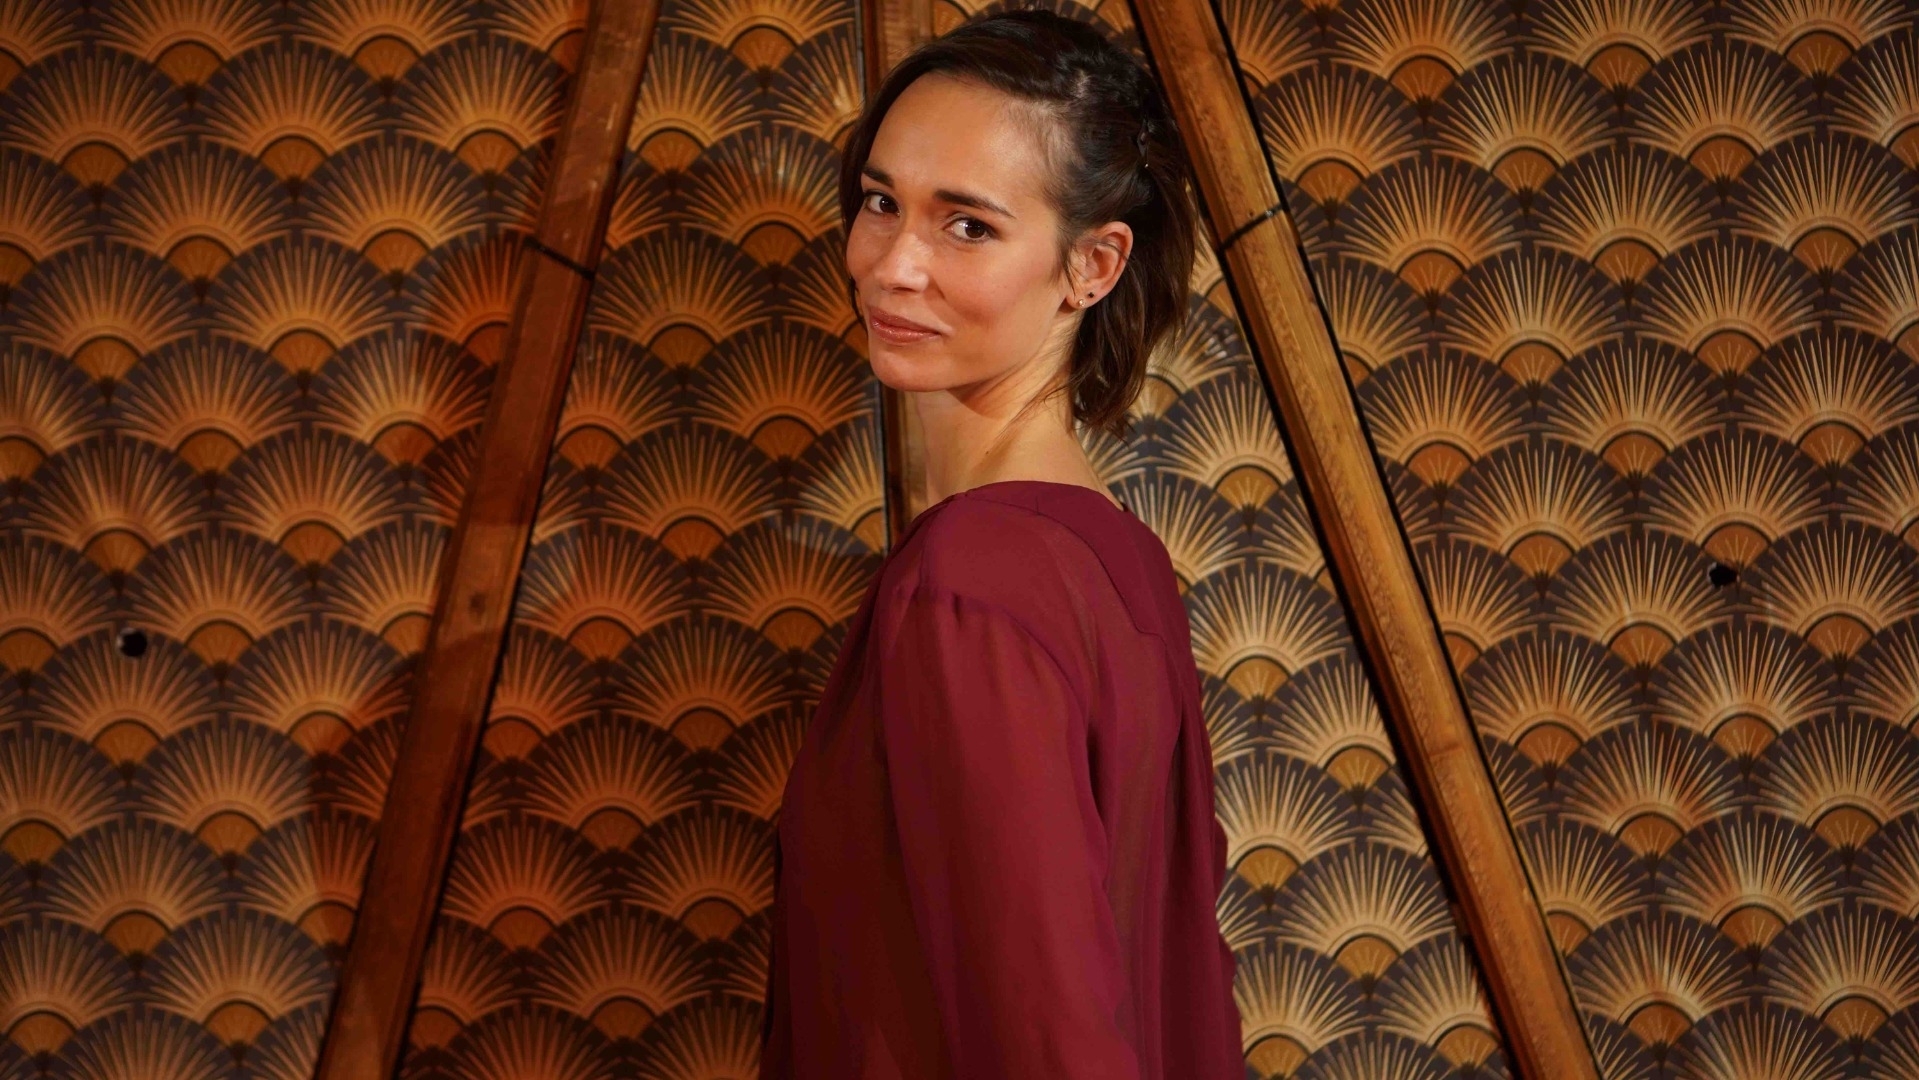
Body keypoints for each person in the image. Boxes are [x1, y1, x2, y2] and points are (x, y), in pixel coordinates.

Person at [757, 9, 1243, 1078]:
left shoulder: (970, 582)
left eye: (966, 226)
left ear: (1092, 265)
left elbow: (1047, 1035)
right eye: (880, 202)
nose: (892, 266)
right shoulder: (1115, 557)